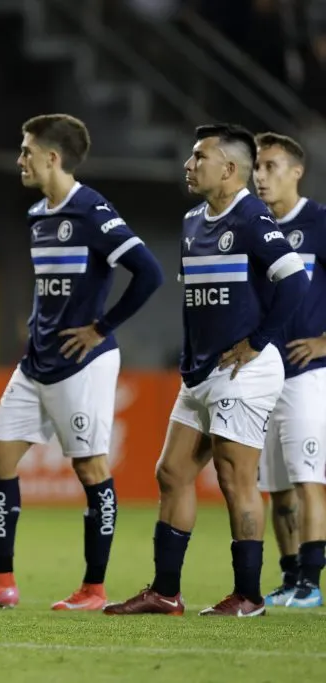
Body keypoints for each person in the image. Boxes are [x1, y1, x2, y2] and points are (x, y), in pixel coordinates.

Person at [0, 114, 164, 612]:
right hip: (36, 361)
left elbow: (148, 273)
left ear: (52, 157)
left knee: (90, 468)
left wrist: (101, 328)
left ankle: (94, 588)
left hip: (82, 363)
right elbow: (53, 285)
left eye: (25, 151)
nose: (19, 159)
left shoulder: (93, 210)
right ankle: (0, 581)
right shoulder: (38, 213)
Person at [105, 123, 309, 617]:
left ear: (229, 169)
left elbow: (295, 281)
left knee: (234, 477)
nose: (189, 165)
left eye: (199, 157)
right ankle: (166, 592)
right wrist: (190, 356)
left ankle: (249, 596)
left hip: (246, 370)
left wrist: (258, 342)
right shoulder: (194, 220)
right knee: (171, 472)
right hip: (201, 371)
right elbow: (197, 300)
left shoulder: (251, 217)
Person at [251, 132, 326, 608]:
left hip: (308, 372)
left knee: (308, 478)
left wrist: (324, 340)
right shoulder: (251, 226)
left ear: (296, 171)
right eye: (257, 166)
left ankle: (312, 584)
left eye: (271, 166)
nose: (260, 176)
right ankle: (290, 575)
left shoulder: (319, 222)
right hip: (263, 375)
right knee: (276, 489)